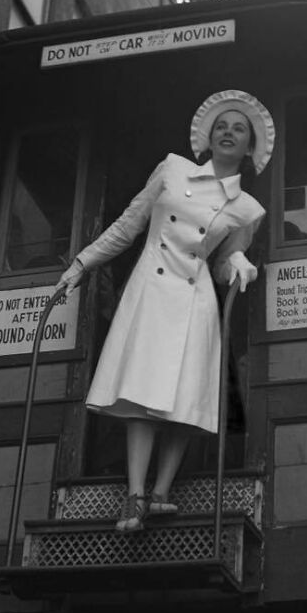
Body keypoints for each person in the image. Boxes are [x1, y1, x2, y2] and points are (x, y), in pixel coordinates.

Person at [55, 90, 275, 532]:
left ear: (250, 147)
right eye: (222, 126)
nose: (228, 133)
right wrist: (82, 263)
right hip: (151, 294)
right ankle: (135, 496)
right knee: (141, 395)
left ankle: (161, 494)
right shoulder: (172, 169)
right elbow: (128, 225)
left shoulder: (249, 209)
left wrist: (240, 264)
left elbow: (219, 264)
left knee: (182, 402)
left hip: (194, 303)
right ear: (208, 137)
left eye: (239, 129)